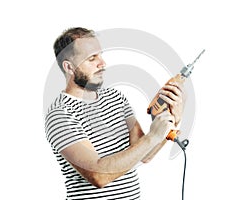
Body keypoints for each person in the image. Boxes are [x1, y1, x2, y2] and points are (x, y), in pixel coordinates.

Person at [45, 27, 185, 200]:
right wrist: (152, 135)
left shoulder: (115, 98)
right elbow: (98, 176)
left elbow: (145, 154)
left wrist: (173, 120)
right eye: (92, 58)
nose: (102, 63)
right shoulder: (60, 114)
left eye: (100, 55)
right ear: (69, 67)